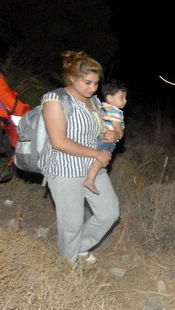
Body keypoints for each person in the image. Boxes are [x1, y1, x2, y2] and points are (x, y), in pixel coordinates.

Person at [41, 51, 120, 265]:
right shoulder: (54, 100)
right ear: (72, 78)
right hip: (65, 170)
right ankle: (67, 267)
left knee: (109, 212)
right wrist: (97, 153)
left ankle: (79, 247)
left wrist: (113, 133)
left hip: (93, 169)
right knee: (72, 224)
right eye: (87, 82)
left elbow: (105, 130)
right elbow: (59, 141)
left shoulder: (94, 101)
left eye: (96, 83)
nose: (93, 88)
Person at [83, 78, 128, 194]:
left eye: (125, 97)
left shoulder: (101, 106)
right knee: (102, 158)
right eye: (122, 97)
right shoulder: (115, 112)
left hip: (98, 136)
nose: (125, 100)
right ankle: (90, 179)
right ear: (110, 98)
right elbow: (117, 128)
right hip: (107, 140)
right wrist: (119, 134)